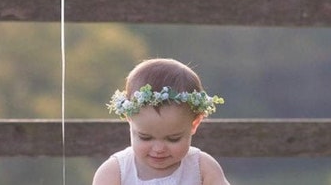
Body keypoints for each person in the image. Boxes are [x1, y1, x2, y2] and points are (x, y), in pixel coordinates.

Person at [92, 58, 231, 185]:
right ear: (130, 120)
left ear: (194, 123)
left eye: (173, 139)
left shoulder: (202, 168)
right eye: (145, 137)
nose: (158, 149)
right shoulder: (115, 172)